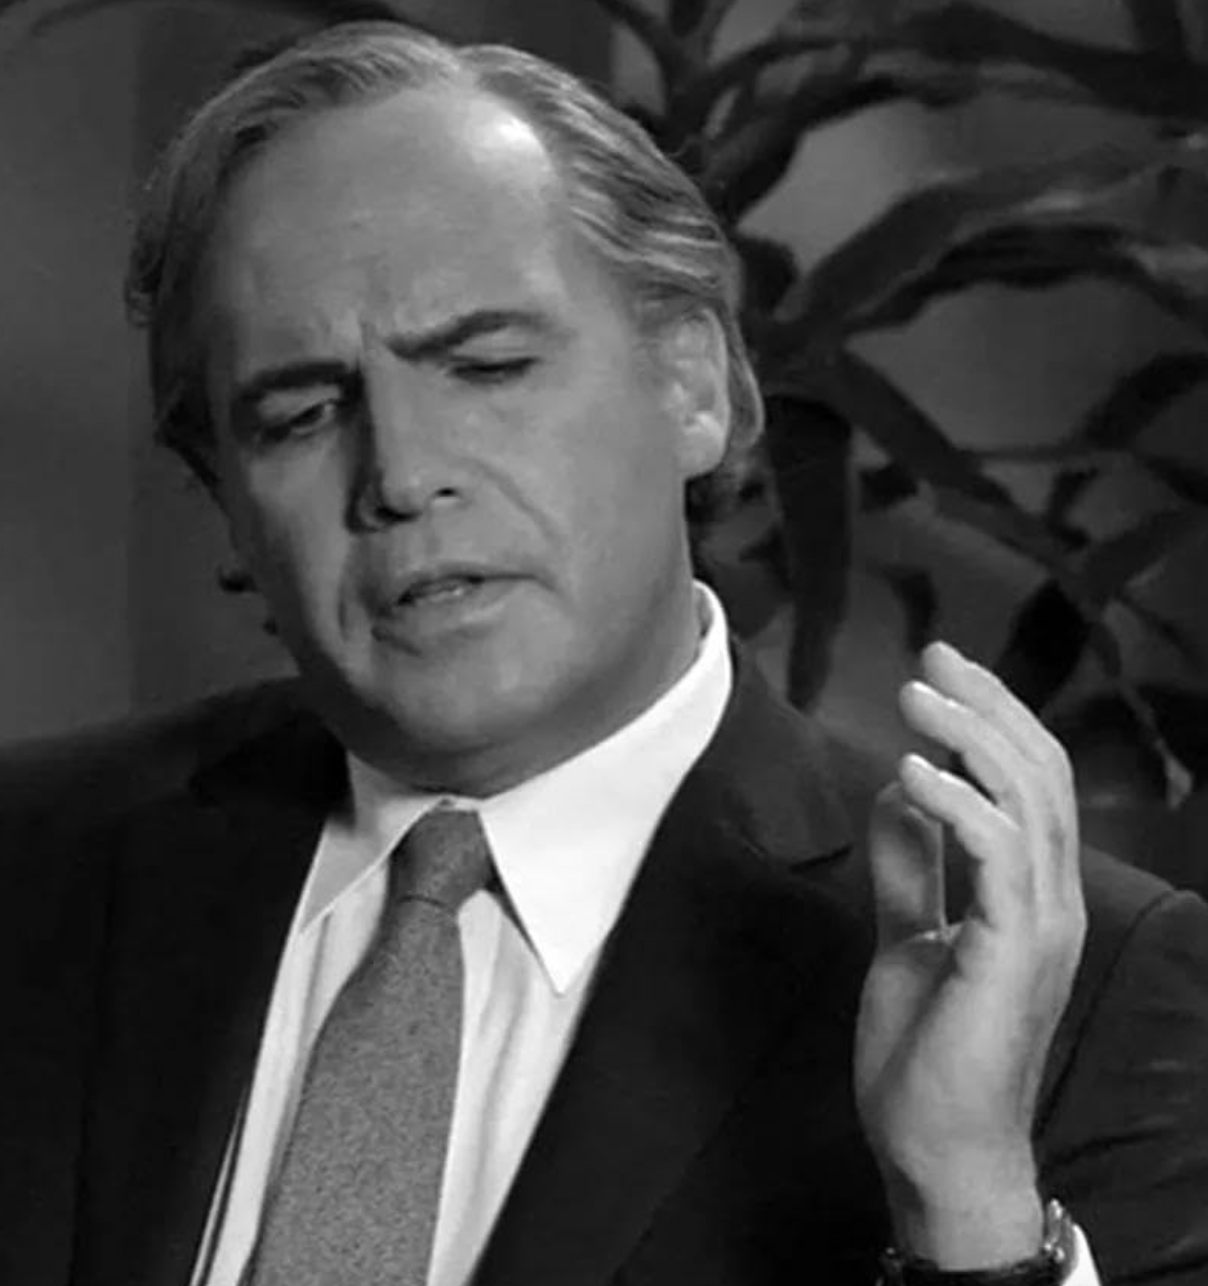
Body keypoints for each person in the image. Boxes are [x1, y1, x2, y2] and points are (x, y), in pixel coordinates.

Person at [2, 19, 1207, 1286]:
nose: (401, 473)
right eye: (300, 414)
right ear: (225, 501)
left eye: (487, 366)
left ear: (694, 385)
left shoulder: (1084, 989)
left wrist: (963, 1210)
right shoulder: (31, 872)